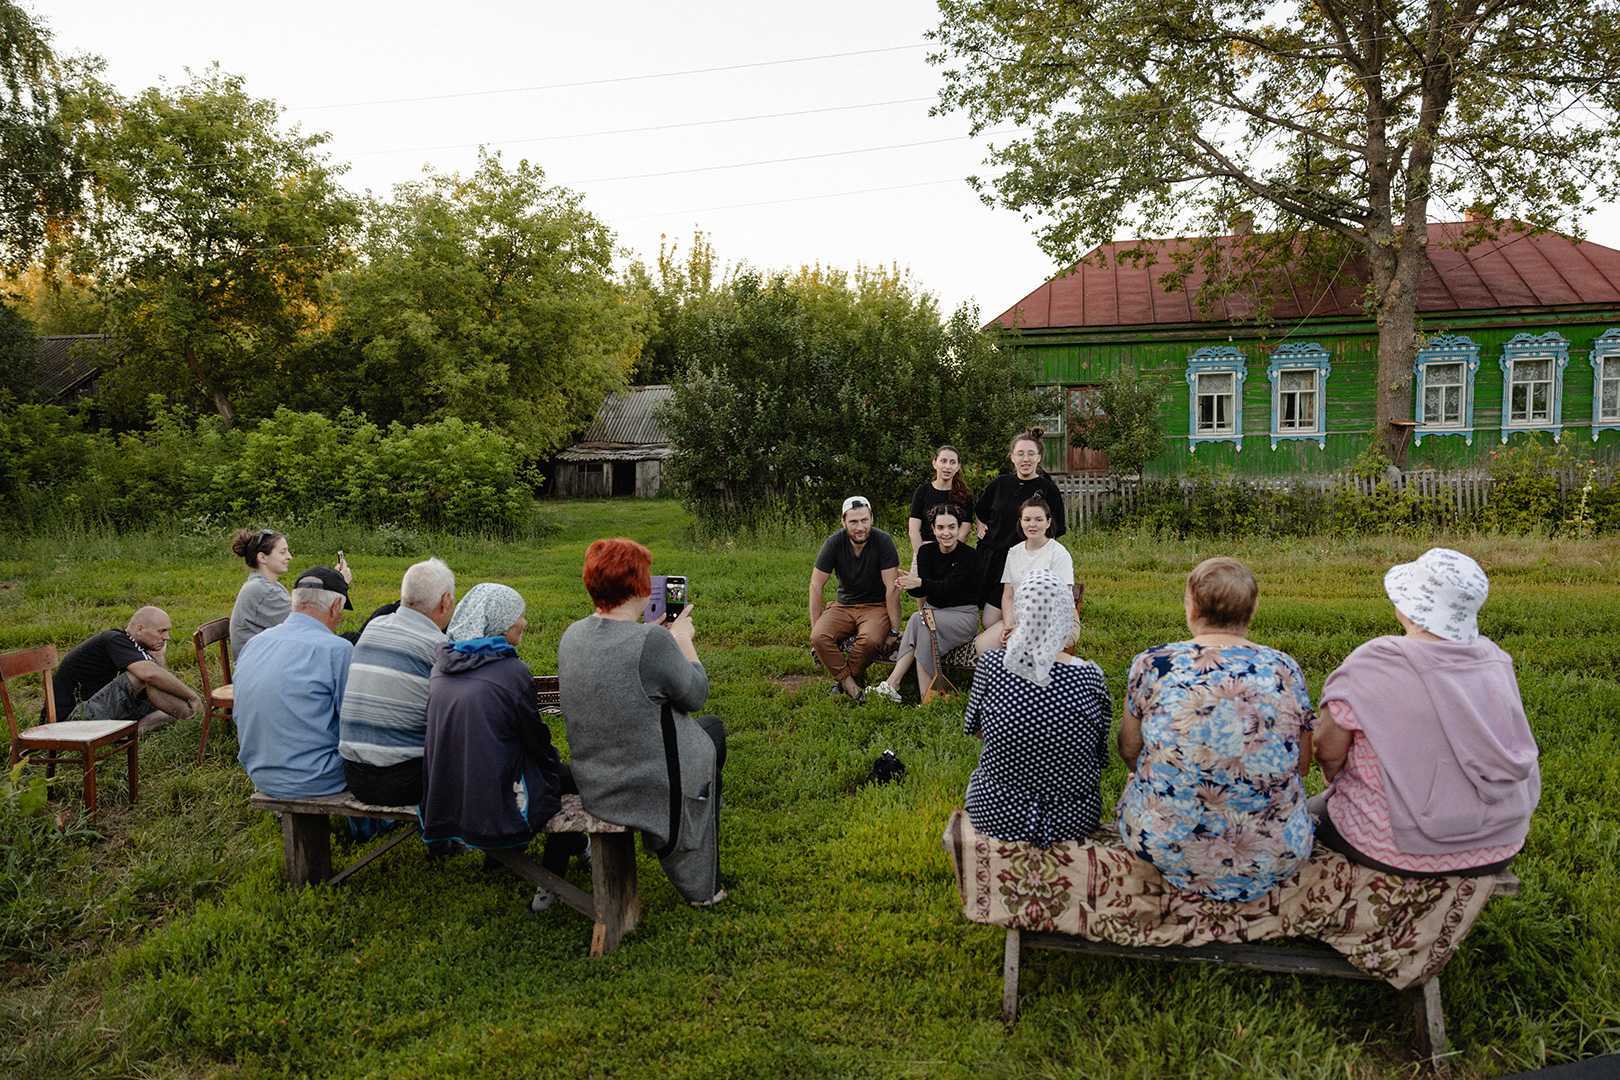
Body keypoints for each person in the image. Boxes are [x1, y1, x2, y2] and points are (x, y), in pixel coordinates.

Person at [1312, 548, 1540, 877]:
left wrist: (1336, 779)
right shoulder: (1495, 660)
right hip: (1501, 842)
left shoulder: (1374, 662)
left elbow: (1329, 751)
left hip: (1399, 850)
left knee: (1311, 814)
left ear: (1410, 608)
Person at [1116, 557, 1315, 902]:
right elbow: (1301, 764)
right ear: (1253, 609)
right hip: (1274, 852)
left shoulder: (1154, 664)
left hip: (1165, 845)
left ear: (1191, 606)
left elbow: (1129, 749)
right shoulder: (1284, 669)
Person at [558, 539, 727, 906]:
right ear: (639, 586)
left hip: (595, 779)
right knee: (711, 733)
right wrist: (683, 642)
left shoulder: (572, 635)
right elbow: (695, 694)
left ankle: (698, 843)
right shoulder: (651, 640)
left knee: (701, 732)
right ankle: (703, 875)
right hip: (642, 782)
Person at [421, 583, 579, 885]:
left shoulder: (441, 666)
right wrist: (554, 767)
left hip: (445, 800)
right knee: (572, 779)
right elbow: (537, 742)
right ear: (500, 624)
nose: (524, 622)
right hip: (495, 808)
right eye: (518, 616)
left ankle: (501, 860)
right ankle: (554, 875)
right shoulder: (510, 672)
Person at [962, 570, 1111, 844]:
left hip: (997, 812)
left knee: (978, 779)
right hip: (1072, 818)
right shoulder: (1089, 675)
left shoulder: (993, 665)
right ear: (1066, 614)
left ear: (1022, 611)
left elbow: (976, 729)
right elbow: (1099, 750)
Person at [337, 558, 456, 806]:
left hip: (354, 776)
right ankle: (447, 839)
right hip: (406, 781)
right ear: (445, 601)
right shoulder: (439, 648)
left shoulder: (373, 628)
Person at [233, 567, 355, 798]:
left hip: (260, 774)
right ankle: (370, 827)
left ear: (295, 602)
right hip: (318, 778)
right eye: (341, 613)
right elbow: (352, 724)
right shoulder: (338, 650)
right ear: (335, 607)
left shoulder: (255, 643)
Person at [868, 504, 981, 703]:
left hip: (962, 616)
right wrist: (907, 583)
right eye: (941, 528)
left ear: (958, 528)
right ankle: (909, 690)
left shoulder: (969, 557)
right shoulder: (925, 552)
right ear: (933, 528)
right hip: (932, 614)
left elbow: (949, 588)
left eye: (951, 527)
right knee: (921, 623)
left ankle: (906, 689)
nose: (946, 533)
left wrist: (919, 582)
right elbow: (924, 590)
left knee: (921, 621)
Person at [809, 495, 902, 702]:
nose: (860, 527)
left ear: (872, 519)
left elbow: (892, 588)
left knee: (869, 641)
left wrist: (894, 630)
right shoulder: (834, 542)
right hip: (843, 606)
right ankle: (851, 684)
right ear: (844, 522)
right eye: (853, 522)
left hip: (875, 607)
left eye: (864, 520)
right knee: (819, 637)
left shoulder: (883, 541)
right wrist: (815, 628)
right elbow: (816, 585)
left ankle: (843, 681)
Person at [49, 607, 202, 730]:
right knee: (142, 677)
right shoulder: (115, 639)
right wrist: (192, 696)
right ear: (140, 629)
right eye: (161, 631)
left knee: (165, 704)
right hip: (72, 719)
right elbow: (150, 675)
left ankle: (194, 719)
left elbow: (161, 680)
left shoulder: (136, 648)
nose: (167, 637)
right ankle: (195, 715)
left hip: (99, 710)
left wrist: (159, 658)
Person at [973, 430, 1067, 629]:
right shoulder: (999, 484)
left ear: (1039, 457)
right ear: (1012, 457)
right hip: (994, 559)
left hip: (1026, 562)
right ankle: (997, 643)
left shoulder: (1047, 489)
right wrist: (981, 527)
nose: (1026, 459)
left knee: (1021, 614)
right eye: (1021, 453)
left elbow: (1055, 530)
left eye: (1031, 454)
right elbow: (980, 511)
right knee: (989, 619)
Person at [974, 496, 1074, 656]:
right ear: (1020, 522)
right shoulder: (1014, 553)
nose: (1032, 524)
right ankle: (1002, 679)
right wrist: (1008, 624)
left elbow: (1062, 602)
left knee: (1021, 646)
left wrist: (1024, 630)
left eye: (1038, 519)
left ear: (1048, 522)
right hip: (1017, 618)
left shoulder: (1058, 554)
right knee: (982, 646)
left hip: (1049, 620)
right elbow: (1008, 596)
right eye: (1027, 519)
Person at [229, 529, 353, 657]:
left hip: (273, 655)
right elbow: (313, 624)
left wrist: (335, 581)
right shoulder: (263, 590)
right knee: (352, 643)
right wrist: (341, 583)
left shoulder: (267, 586)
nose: (289, 556)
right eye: (282, 552)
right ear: (262, 557)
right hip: (263, 665)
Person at [906, 445, 972, 554]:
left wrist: (950, 554)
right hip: (925, 550)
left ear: (958, 466)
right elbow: (913, 530)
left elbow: (964, 531)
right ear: (934, 463)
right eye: (943, 461)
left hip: (954, 552)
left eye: (952, 462)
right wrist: (922, 556)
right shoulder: (923, 491)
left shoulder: (964, 495)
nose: (947, 466)